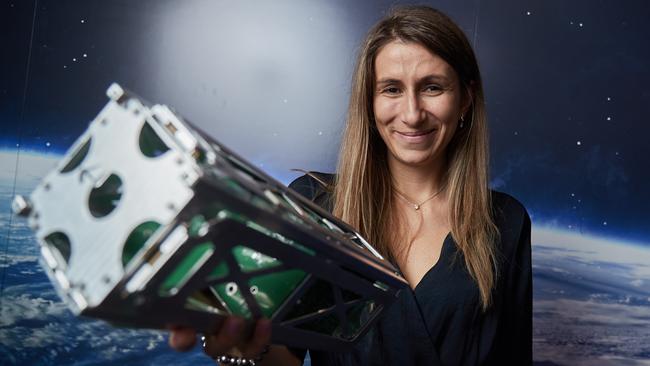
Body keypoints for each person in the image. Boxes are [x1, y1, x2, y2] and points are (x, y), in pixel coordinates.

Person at [169, 5, 532, 365]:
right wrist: (244, 345)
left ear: (466, 98)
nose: (411, 113)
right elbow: (283, 356)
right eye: (391, 89)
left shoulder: (507, 221)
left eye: (432, 87)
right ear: (369, 102)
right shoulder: (314, 206)